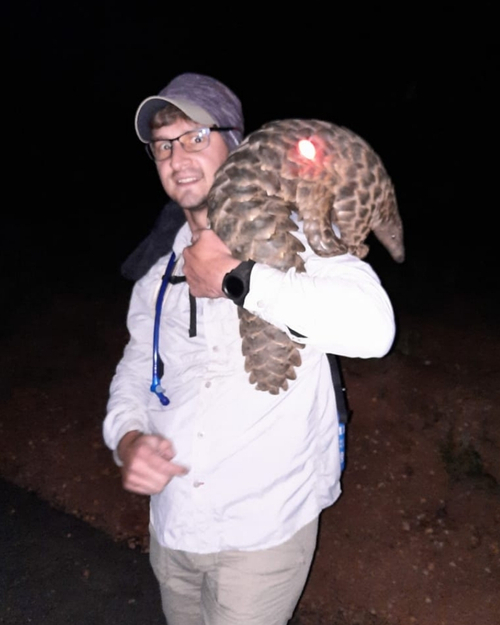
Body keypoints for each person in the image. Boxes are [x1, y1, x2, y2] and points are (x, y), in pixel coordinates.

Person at [103, 72, 396, 625]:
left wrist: (236, 278)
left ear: (235, 144)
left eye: (195, 137)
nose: (177, 157)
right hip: (173, 527)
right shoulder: (156, 275)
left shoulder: (303, 239)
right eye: (163, 145)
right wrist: (128, 438)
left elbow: (374, 329)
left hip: (263, 534)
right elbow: (137, 368)